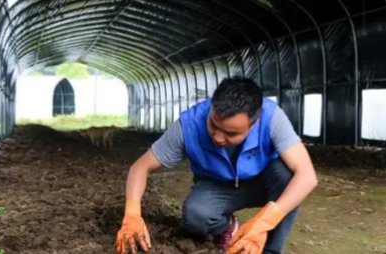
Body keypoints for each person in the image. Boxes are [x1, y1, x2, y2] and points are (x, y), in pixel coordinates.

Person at [115, 77, 318, 254]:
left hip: (263, 183)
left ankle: (269, 250)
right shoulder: (189, 125)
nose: (219, 138)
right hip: (216, 185)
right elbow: (140, 167)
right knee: (196, 215)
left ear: (254, 124)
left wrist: (265, 221)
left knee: (288, 176)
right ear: (212, 106)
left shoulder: (272, 118)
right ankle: (228, 227)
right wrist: (132, 213)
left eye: (231, 133)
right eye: (213, 125)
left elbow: (307, 176)